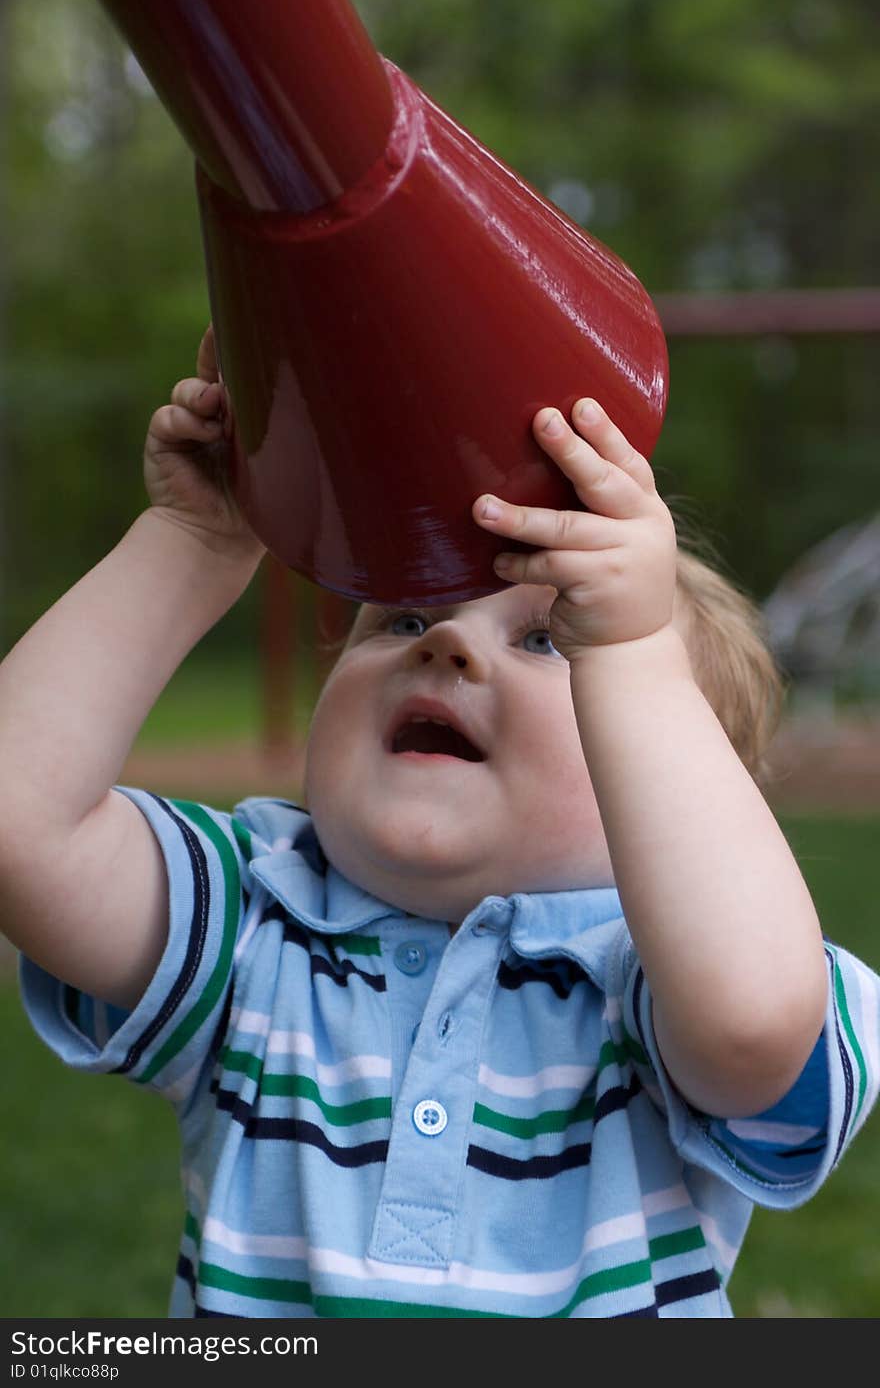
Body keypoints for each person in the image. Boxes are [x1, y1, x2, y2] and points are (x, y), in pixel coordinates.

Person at [1, 327, 877, 1320]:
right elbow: (21, 822)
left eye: (550, 639)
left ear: (683, 782)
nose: (450, 643)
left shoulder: (648, 982)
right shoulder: (257, 920)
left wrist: (630, 651)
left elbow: (751, 1025)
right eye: (405, 619)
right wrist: (194, 542)